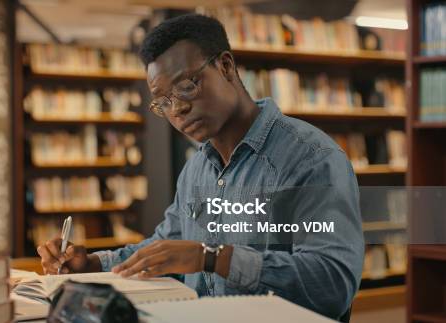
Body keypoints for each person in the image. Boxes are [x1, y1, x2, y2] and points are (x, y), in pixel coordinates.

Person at [37, 14, 363, 320]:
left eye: (186, 86)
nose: (177, 109)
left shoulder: (311, 158)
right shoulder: (196, 171)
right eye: (162, 101)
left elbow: (332, 282)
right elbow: (165, 249)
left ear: (225, 66)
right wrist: (93, 263)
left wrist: (212, 257)